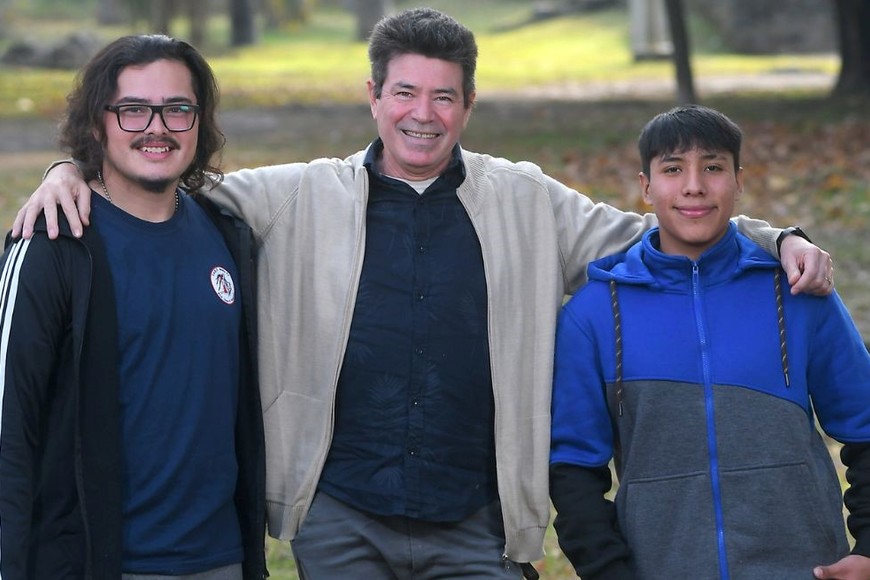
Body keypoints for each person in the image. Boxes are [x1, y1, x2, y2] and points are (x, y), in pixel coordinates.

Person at [11, 9, 834, 579]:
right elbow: (165, 170)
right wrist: (69, 167)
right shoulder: (297, 194)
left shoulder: (527, 198)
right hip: (340, 519)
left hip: (476, 522)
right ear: (373, 97)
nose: (423, 114)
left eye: (444, 96)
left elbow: (660, 229)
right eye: (404, 92)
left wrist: (775, 237)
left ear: (469, 104)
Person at [549, 104, 870, 579]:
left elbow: (865, 426)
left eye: (713, 167)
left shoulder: (799, 293)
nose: (694, 185)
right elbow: (572, 468)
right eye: (673, 169)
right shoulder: (593, 315)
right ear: (646, 187)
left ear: (739, 181)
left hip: (803, 567)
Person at [0, 35, 267, 579]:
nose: (157, 127)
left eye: (177, 109)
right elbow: (9, 428)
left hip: (220, 559)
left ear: (200, 120)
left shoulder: (230, 237)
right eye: (132, 110)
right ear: (97, 122)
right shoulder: (52, 245)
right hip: (97, 562)